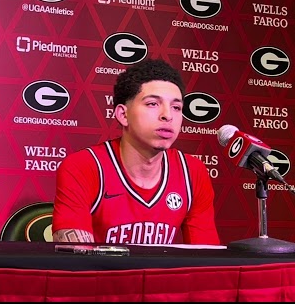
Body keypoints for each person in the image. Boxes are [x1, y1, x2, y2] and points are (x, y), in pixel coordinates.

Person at [52, 58, 220, 245]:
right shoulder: (84, 166)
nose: (168, 115)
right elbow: (74, 260)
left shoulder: (193, 172)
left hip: (160, 275)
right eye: (152, 104)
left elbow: (205, 258)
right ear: (123, 115)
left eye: (176, 107)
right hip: (102, 274)